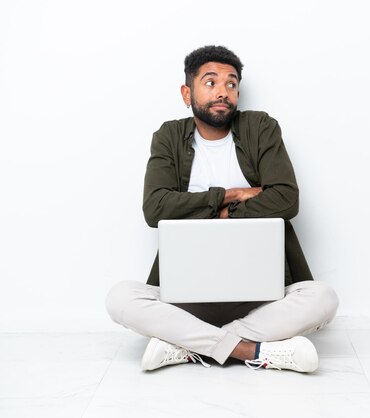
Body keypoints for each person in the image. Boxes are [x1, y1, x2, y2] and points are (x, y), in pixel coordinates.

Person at [105, 45, 339, 373]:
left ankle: (187, 345)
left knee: (323, 298)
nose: (223, 92)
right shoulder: (169, 136)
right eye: (211, 82)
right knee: (120, 298)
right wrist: (228, 197)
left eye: (231, 84)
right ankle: (252, 349)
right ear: (187, 93)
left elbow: (286, 199)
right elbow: (155, 208)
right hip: (188, 300)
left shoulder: (260, 127)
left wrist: (209, 213)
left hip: (261, 300)